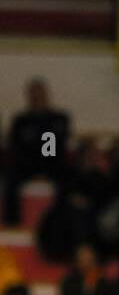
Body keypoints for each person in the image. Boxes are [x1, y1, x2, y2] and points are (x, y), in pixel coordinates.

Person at [3, 79, 71, 227]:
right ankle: (12, 225)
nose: (37, 98)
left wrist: (38, 142)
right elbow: (18, 146)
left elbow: (54, 144)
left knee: (67, 181)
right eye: (34, 95)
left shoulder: (59, 118)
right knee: (10, 181)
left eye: (40, 94)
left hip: (52, 162)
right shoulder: (20, 120)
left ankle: (61, 224)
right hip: (27, 165)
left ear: (47, 95)